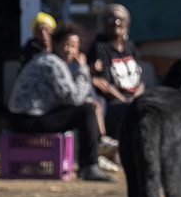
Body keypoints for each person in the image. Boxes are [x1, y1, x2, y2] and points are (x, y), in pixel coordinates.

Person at [7, 23, 113, 182]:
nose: (70, 50)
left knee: (87, 107)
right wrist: (83, 70)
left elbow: (67, 96)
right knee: (86, 111)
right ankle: (89, 166)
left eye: (74, 46)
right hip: (27, 120)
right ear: (55, 44)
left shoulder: (50, 60)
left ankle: (89, 163)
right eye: (66, 45)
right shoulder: (53, 63)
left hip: (25, 118)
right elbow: (73, 98)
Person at [90, 3, 143, 141]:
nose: (116, 22)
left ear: (127, 23)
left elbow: (140, 82)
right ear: (104, 24)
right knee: (128, 110)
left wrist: (135, 98)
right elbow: (105, 85)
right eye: (111, 18)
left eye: (121, 19)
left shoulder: (130, 46)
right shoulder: (100, 48)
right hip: (113, 103)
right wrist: (126, 100)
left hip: (133, 98)